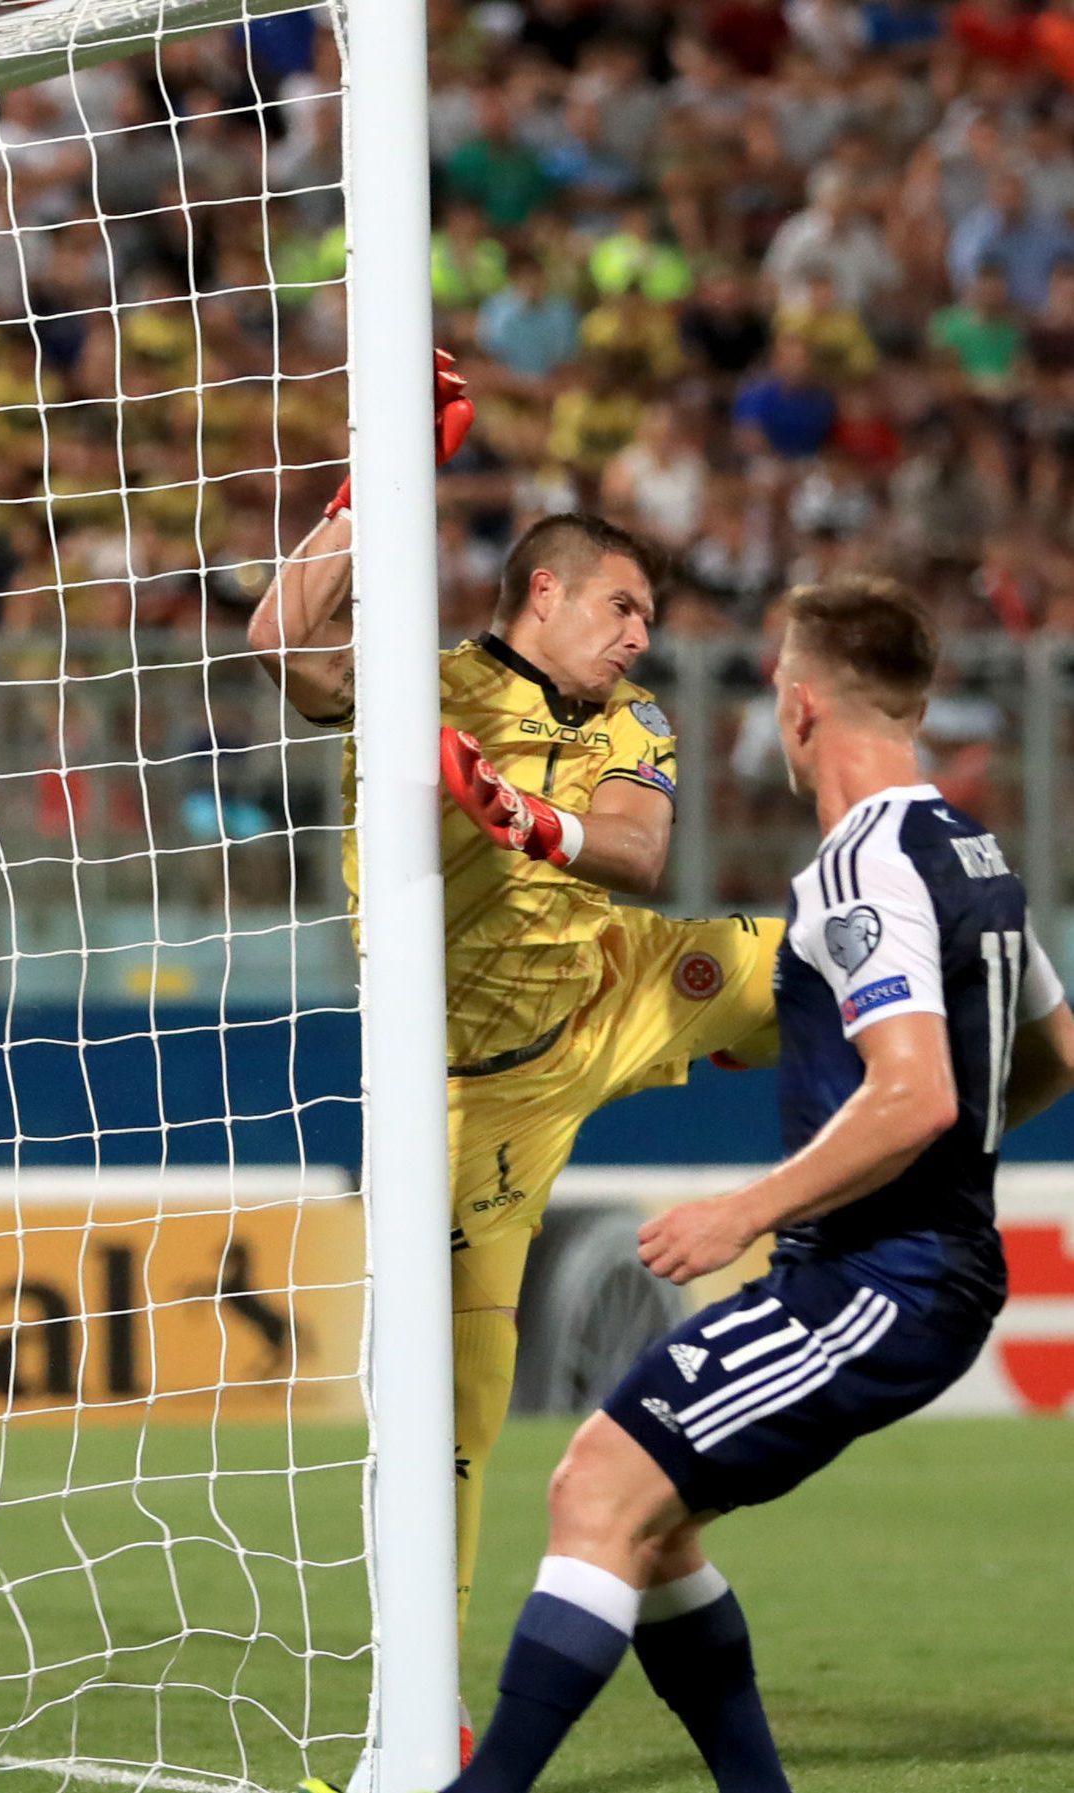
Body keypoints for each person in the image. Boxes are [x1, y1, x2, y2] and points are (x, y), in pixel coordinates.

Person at [387, 576, 1074, 1793]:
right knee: (650, 1532)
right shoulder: (968, 849)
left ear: (801, 705)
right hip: (900, 1264)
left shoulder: (864, 865)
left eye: (768, 683)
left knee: (595, 1483)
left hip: (881, 1277)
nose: (767, 707)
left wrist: (745, 1208)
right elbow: (1052, 1055)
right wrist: (951, 1163)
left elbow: (914, 1093)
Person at [246, 353, 785, 1717]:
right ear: (541, 590)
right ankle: (424, 1706)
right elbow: (279, 647)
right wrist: (377, 486)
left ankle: (967, 1105)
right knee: (453, 1418)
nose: (639, 636)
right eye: (622, 606)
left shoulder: (631, 721)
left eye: (650, 616)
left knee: (847, 961)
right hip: (470, 1099)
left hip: (619, 983)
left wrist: (521, 817)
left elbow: (644, 850)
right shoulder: (412, 690)